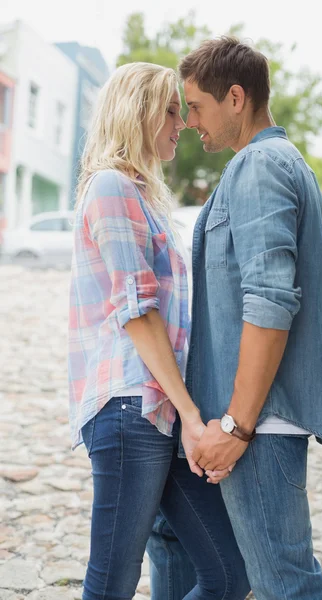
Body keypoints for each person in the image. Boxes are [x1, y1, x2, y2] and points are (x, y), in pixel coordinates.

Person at [149, 37, 322, 600]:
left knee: (285, 581)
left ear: (236, 98)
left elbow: (270, 302)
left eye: (197, 107)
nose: (189, 122)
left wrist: (236, 426)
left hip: (256, 425)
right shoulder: (274, 163)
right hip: (240, 420)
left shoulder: (259, 167)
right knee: (188, 548)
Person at [68, 61, 250, 600]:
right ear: (138, 113)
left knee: (228, 571)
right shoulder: (109, 187)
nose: (182, 122)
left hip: (157, 411)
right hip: (130, 406)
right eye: (171, 110)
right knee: (112, 583)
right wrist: (193, 417)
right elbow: (138, 311)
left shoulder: (141, 197)